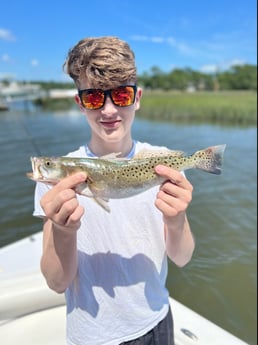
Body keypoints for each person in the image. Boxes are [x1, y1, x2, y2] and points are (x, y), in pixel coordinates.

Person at [33, 36, 195, 345]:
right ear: (80, 103)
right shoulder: (55, 177)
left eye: (120, 95)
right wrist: (62, 230)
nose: (108, 110)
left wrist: (176, 220)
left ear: (137, 98)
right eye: (94, 98)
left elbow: (182, 257)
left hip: (157, 319)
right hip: (93, 335)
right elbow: (56, 282)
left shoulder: (163, 162)